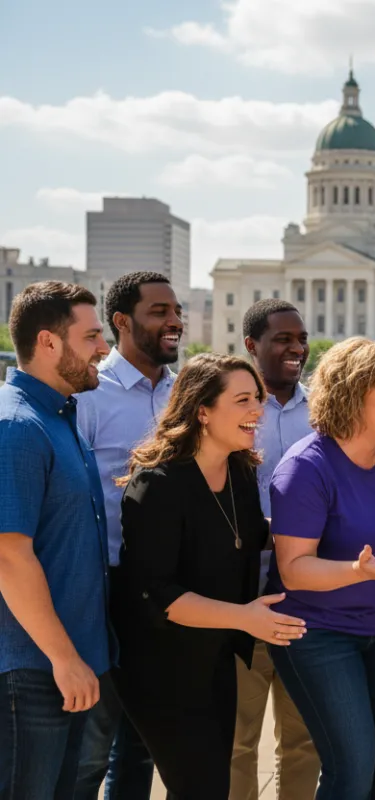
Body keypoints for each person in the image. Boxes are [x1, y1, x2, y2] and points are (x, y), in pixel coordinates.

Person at [110, 353, 303, 797]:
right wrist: (246, 618)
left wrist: (323, 541)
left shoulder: (239, 470)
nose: (258, 410)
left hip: (214, 657)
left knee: (213, 784)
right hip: (160, 666)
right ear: (203, 410)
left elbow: (251, 534)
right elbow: (159, 595)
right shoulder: (156, 485)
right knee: (200, 786)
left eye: (257, 398)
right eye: (243, 400)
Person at [267, 337, 375, 799]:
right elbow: (294, 569)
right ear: (353, 396)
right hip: (317, 634)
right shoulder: (304, 469)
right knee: (352, 768)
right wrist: (359, 571)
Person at [0, 282, 111, 798]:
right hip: (33, 672)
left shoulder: (61, 417)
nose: (104, 348)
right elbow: (8, 556)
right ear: (48, 342)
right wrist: (64, 659)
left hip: (69, 666)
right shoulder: (16, 426)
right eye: (91, 337)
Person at [75, 271, 180, 800]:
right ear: (121, 321)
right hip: (105, 589)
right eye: (160, 312)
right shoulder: (90, 394)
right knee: (92, 749)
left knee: (141, 747)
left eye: (176, 311)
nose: (174, 321)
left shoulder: (185, 393)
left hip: (167, 593)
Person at [230, 299, 318, 800]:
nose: (296, 348)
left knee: (304, 742)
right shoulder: (232, 408)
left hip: (307, 601)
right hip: (241, 599)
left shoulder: (324, 410)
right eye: (283, 339)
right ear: (252, 345)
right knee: (237, 742)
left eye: (300, 339)